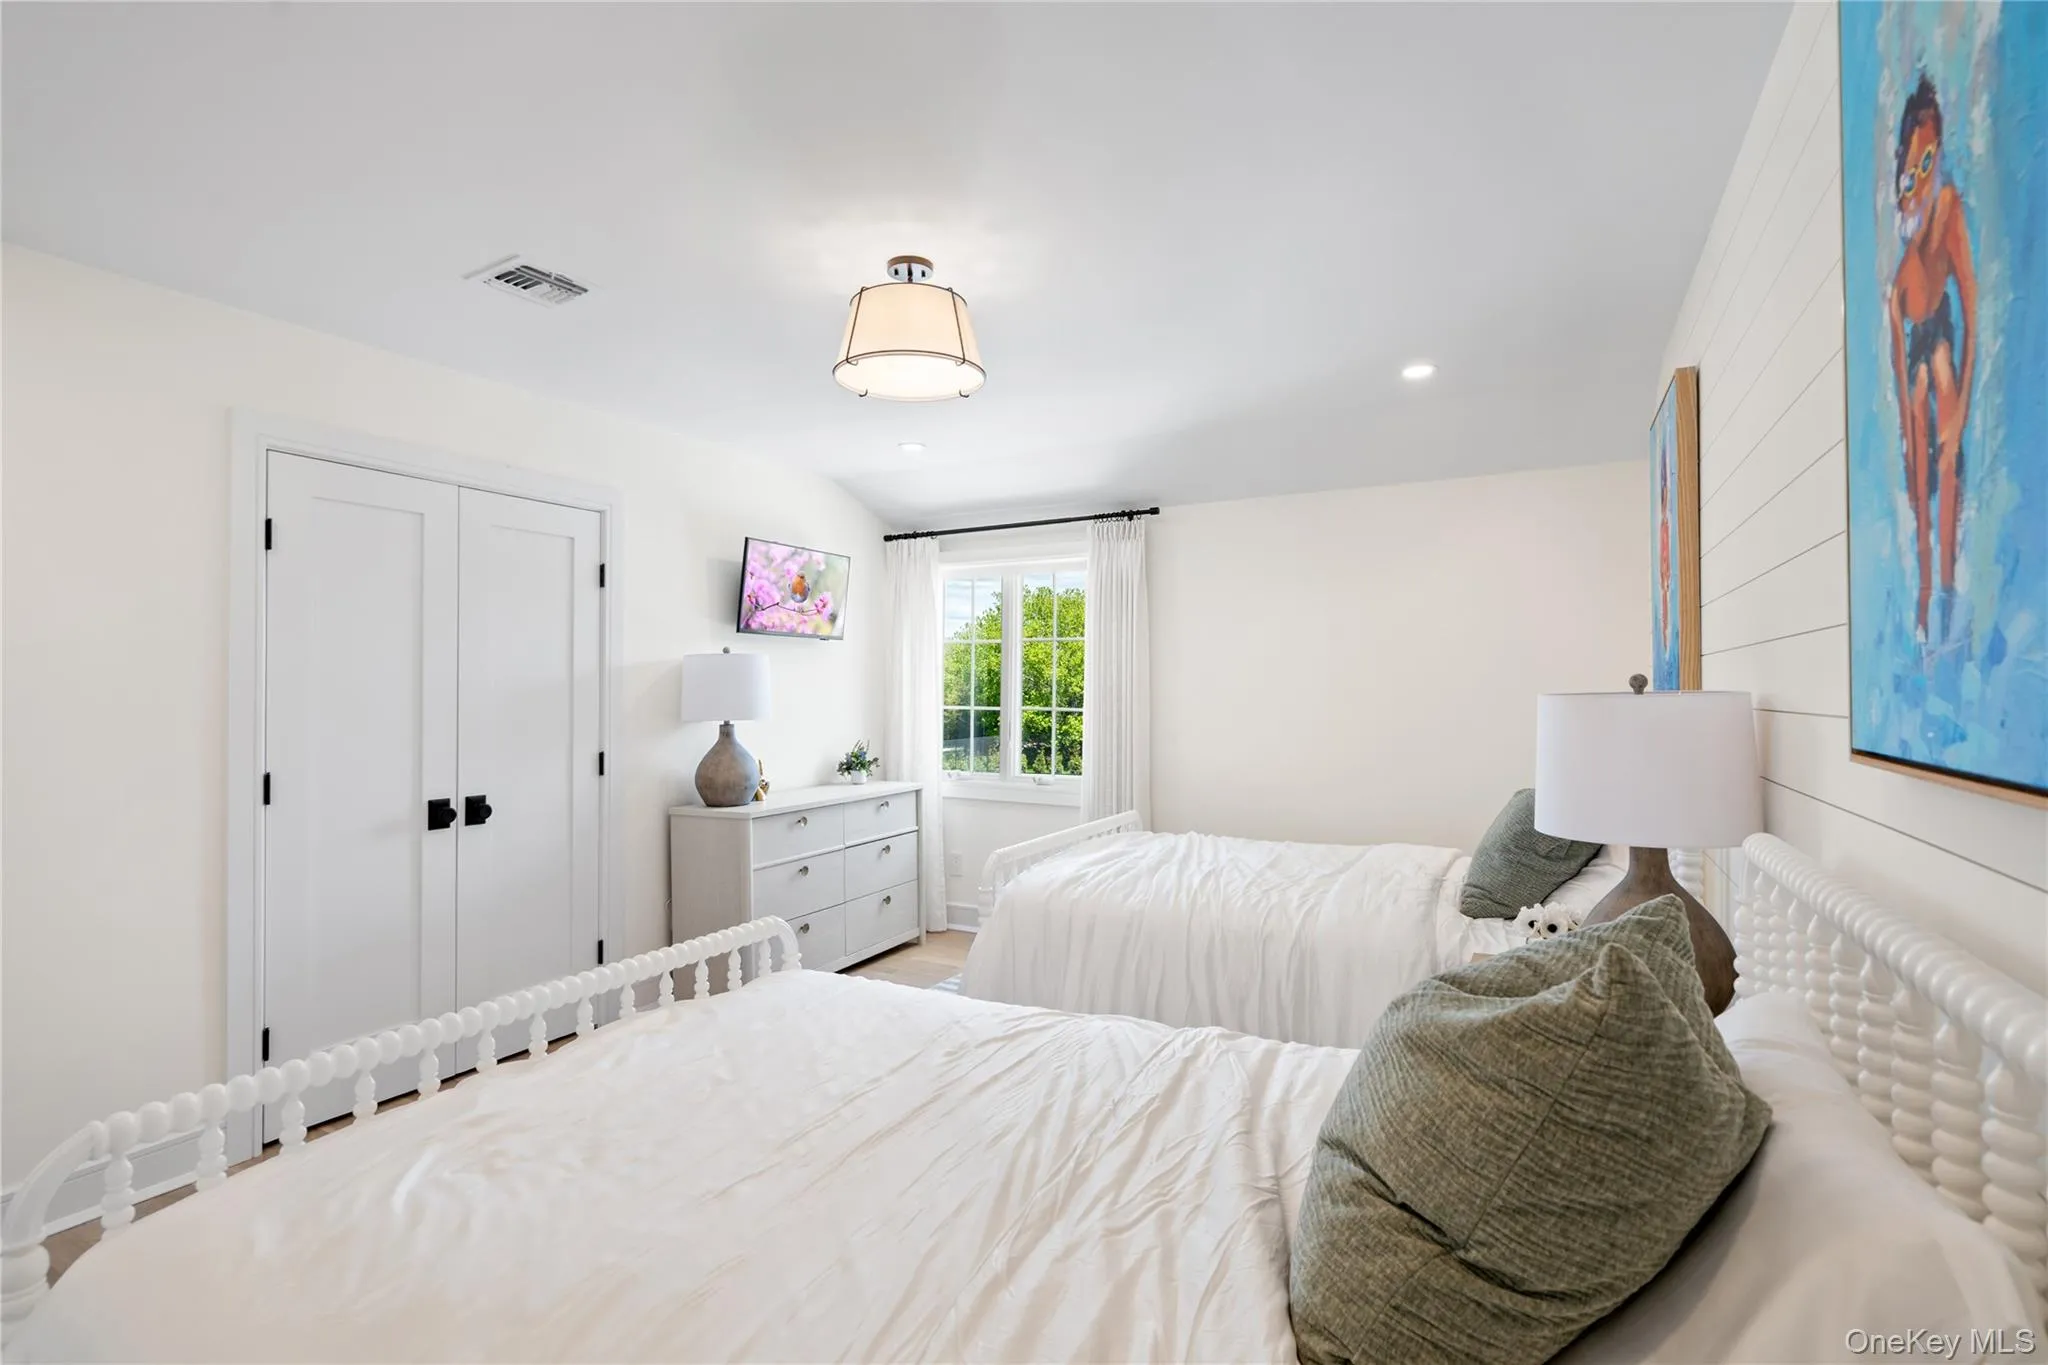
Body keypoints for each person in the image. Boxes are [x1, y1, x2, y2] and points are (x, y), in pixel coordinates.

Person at [1887, 75, 1978, 643]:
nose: (1922, 178)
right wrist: (1908, 436)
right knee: (1920, 481)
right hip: (1915, 346)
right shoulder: (1896, 289)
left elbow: (1970, 302)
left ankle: (1945, 596)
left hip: (1940, 338)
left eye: (1930, 162)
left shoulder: (1947, 211)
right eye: (1912, 170)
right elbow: (1901, 391)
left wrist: (1964, 401)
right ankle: (1925, 606)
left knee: (1946, 467)